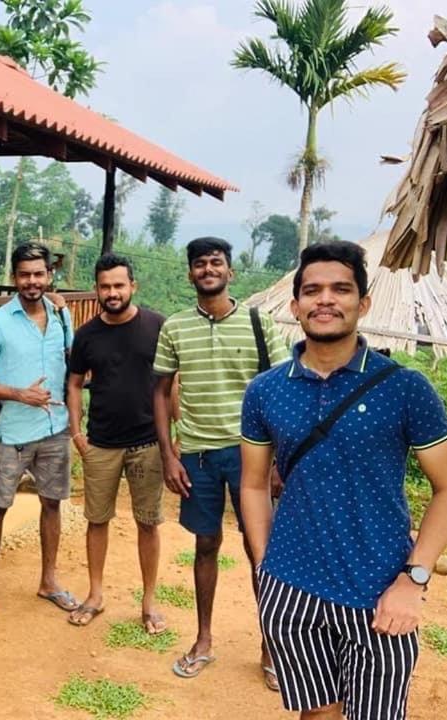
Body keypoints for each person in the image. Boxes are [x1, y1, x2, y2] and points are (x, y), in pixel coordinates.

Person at [240, 241, 447, 720]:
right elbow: (254, 484)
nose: (325, 299)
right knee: (317, 712)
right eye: (312, 290)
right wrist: (264, 566)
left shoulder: (405, 389)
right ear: (295, 305)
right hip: (291, 587)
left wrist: (414, 580)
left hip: (381, 592)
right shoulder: (265, 391)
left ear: (363, 303)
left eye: (340, 289)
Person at [152, 237, 289, 686]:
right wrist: (169, 454)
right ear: (190, 273)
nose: (208, 269)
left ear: (231, 272)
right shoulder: (175, 327)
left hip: (253, 455)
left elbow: (282, 392)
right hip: (197, 455)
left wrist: (279, 460)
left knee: (259, 550)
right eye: (200, 263)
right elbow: (160, 392)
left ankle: (271, 647)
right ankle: (204, 639)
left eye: (216, 262)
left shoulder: (258, 323)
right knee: (205, 544)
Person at [0, 242, 77, 618]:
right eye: (24, 275)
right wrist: (19, 394)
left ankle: (49, 580)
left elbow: (73, 363)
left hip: (56, 429)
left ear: (49, 275)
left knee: (52, 503)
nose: (32, 281)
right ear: (14, 277)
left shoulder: (61, 315)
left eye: (38, 274)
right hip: (13, 433)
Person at [65, 254, 167, 632]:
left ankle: (149, 600)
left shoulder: (157, 326)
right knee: (97, 520)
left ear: (132, 286)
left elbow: (171, 382)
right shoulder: (86, 335)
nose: (112, 292)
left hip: (148, 443)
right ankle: (95, 594)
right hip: (101, 443)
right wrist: (77, 433)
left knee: (148, 523)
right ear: (96, 289)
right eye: (105, 286)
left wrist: (171, 437)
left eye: (119, 285)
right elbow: (74, 383)